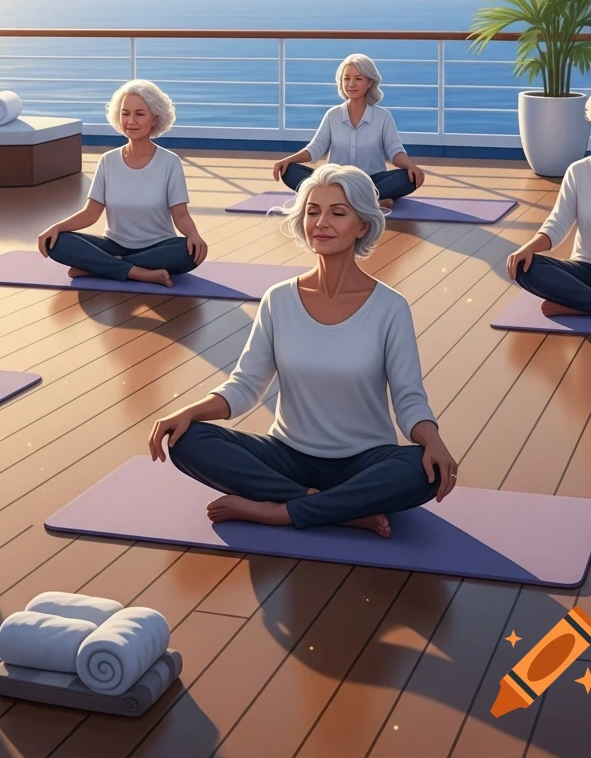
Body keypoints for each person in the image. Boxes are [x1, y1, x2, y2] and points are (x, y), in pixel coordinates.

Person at [148, 162, 457, 537]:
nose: (321, 223)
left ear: (362, 225)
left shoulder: (390, 307)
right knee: (188, 440)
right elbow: (245, 387)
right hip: (287, 457)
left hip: (364, 460)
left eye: (337, 213)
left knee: (418, 470)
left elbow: (409, 399)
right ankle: (340, 510)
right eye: (313, 212)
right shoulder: (279, 300)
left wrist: (434, 440)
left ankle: (279, 511)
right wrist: (188, 411)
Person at [37, 79, 208, 288]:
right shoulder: (108, 161)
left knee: (186, 252)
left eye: (140, 114)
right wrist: (56, 227)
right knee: (57, 242)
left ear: (154, 119)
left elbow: (180, 214)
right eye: (125, 113)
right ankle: (139, 272)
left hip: (158, 247)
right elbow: (91, 213)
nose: (131, 121)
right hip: (112, 245)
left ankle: (97, 267)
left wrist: (194, 235)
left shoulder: (170, 162)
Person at [507, 80, 591, 319]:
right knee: (524, 267)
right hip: (585, 271)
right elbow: (557, 224)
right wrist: (527, 248)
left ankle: (578, 302)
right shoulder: (578, 172)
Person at [272, 53, 426, 212]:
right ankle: (368, 200)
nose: (351, 84)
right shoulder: (333, 114)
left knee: (407, 178)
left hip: (370, 182)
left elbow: (395, 152)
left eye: (358, 79)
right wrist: (287, 160)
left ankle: (342, 200)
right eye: (346, 78)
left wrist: (411, 166)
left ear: (369, 82)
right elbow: (315, 149)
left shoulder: (383, 116)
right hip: (335, 181)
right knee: (289, 171)